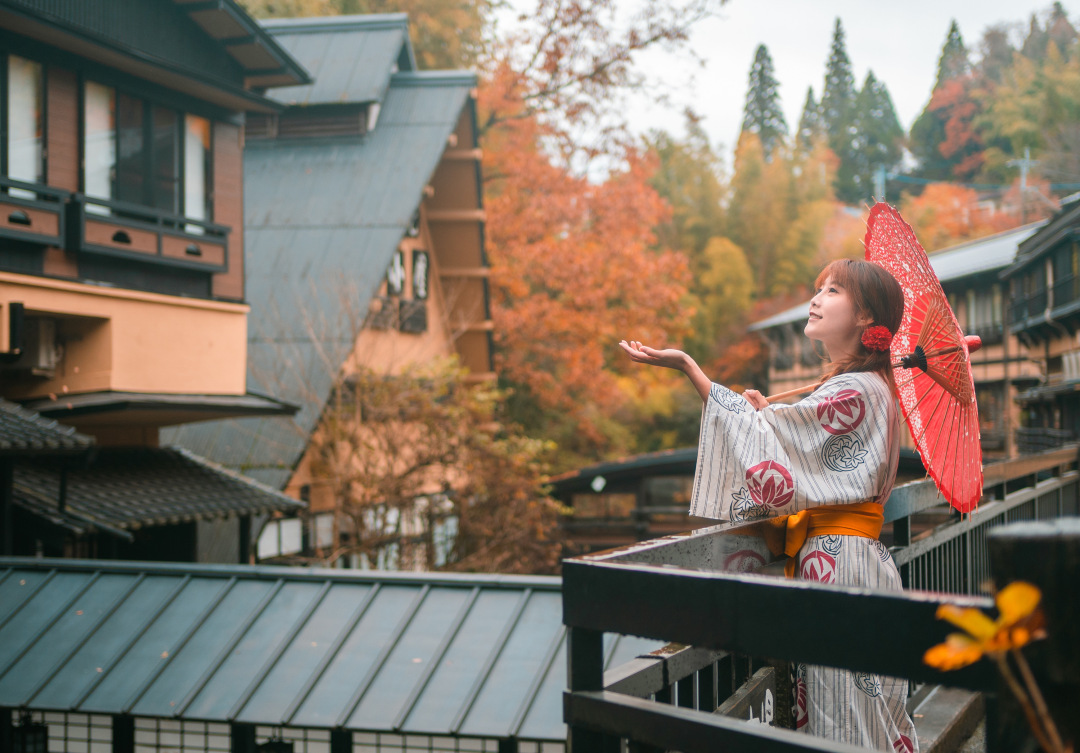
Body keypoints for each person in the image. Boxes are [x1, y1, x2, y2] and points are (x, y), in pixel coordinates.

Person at [619, 258, 919, 753]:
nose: (817, 298)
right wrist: (768, 415)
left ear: (867, 317)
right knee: (857, 710)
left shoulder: (857, 389)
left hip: (837, 566)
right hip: (851, 559)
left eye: (834, 290)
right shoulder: (863, 386)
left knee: (841, 717)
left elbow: (770, 443)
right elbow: (788, 435)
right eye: (818, 287)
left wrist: (691, 369)